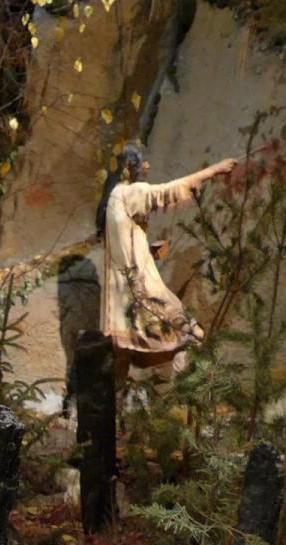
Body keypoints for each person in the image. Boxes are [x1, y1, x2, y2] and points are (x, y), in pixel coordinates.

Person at [97, 143, 239, 384]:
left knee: (121, 359)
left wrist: (148, 251)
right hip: (141, 292)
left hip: (120, 300)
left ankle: (115, 404)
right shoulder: (130, 193)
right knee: (191, 333)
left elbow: (122, 246)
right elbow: (168, 191)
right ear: (130, 165)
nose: (148, 166)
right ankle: (181, 396)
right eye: (143, 162)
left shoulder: (113, 198)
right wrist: (214, 170)